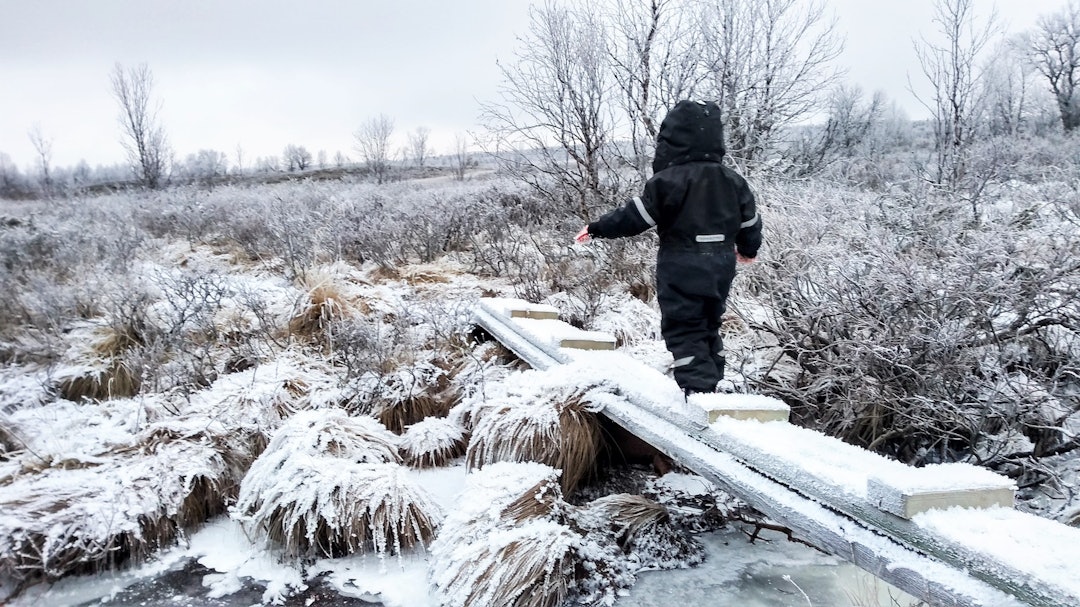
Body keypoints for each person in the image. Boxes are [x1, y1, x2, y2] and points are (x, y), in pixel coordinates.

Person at [574, 99, 762, 395]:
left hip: (682, 264)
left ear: (671, 141)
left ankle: (700, 394)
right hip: (721, 264)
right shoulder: (733, 181)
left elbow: (634, 217)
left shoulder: (667, 182)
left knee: (685, 326)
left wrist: (596, 228)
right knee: (709, 322)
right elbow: (750, 222)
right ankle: (713, 382)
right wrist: (748, 250)